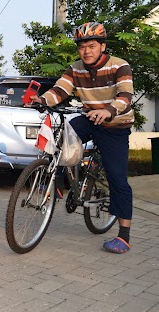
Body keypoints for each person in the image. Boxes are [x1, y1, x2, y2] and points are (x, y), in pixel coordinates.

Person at [31, 21, 135, 254]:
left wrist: (109, 110)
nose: (86, 51)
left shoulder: (120, 66)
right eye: (82, 47)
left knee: (117, 178)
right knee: (63, 134)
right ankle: (56, 179)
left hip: (115, 124)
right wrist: (43, 100)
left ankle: (124, 235)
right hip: (90, 117)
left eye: (91, 45)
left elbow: (125, 95)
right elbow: (60, 90)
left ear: (102, 46)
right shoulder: (75, 68)